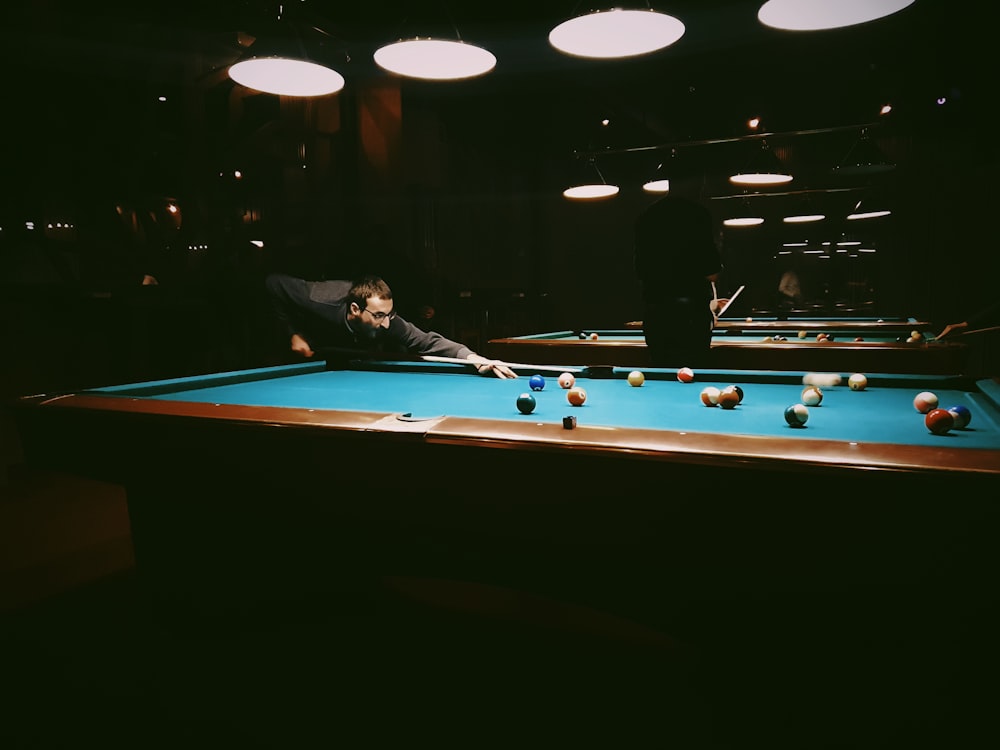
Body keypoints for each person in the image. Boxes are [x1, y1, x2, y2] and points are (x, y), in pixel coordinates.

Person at [264, 272, 517, 378]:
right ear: (355, 309)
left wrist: (473, 357)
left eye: (389, 314)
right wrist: (293, 333)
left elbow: (427, 341)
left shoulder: (387, 320)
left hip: (343, 358)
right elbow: (272, 283)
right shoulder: (318, 299)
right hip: (299, 359)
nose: (386, 324)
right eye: (377, 316)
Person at [634, 189, 724, 368]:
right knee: (695, 368)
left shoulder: (648, 214)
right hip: (692, 316)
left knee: (661, 366)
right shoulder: (699, 213)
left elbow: (639, 271)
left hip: (655, 314)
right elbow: (712, 272)